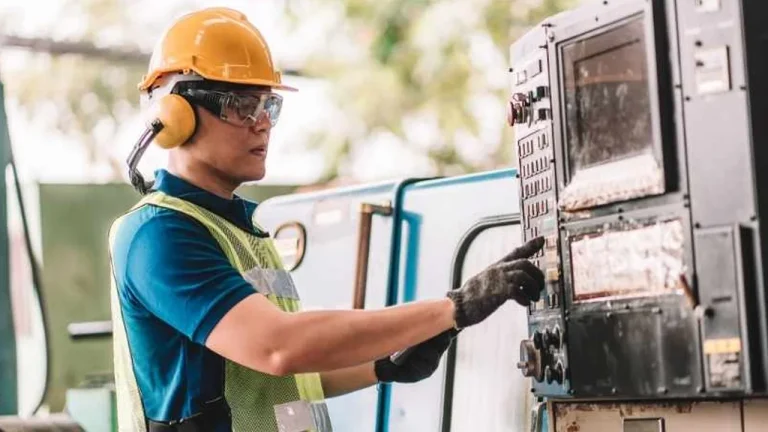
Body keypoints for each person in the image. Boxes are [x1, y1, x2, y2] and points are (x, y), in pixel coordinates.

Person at [108, 7, 546, 432]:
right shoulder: (158, 234)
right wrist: (454, 307)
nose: (263, 124)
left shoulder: (242, 227)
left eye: (268, 106)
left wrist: (381, 366)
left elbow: (275, 382)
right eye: (240, 105)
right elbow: (279, 347)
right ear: (175, 115)